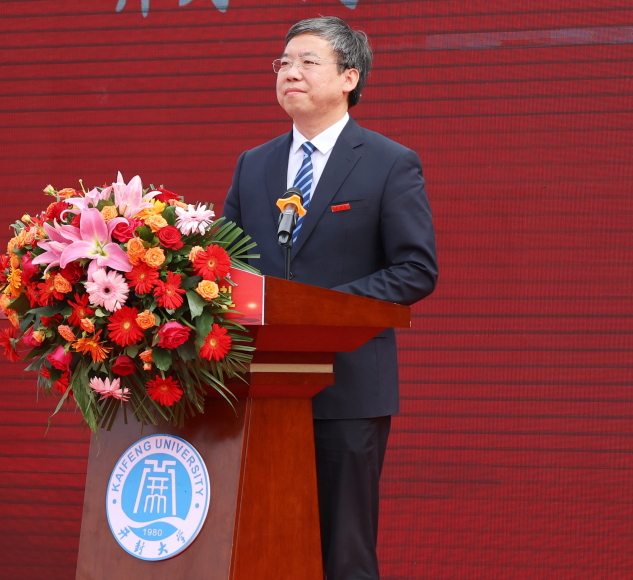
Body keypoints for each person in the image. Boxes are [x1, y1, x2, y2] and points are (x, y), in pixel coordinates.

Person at [222, 16, 438, 580]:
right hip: (259, 389)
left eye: (307, 62)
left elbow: (415, 270)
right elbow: (224, 268)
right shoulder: (254, 164)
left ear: (349, 77)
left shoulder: (389, 162)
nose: (290, 72)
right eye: (283, 63)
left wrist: (322, 312)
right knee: (261, 547)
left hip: (348, 388)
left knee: (343, 554)